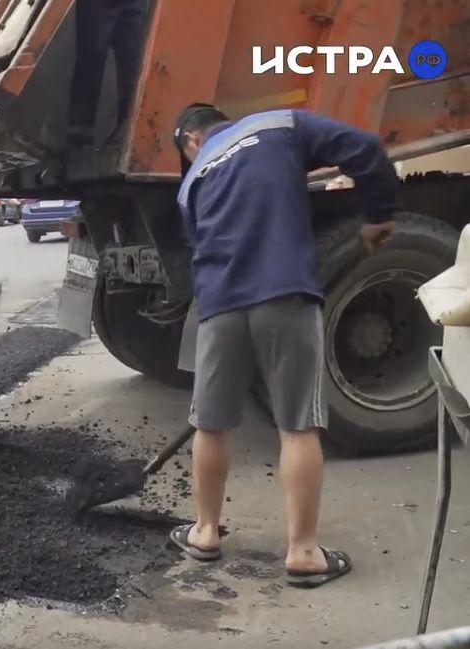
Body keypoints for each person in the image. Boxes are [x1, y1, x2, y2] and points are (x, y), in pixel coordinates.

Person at [170, 103, 397, 587]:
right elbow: (364, 148)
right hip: (285, 293)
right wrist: (377, 214)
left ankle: (205, 532)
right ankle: (303, 552)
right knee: (297, 425)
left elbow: (200, 246)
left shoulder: (191, 185)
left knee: (210, 424)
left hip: (219, 306)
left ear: (191, 140)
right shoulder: (279, 124)